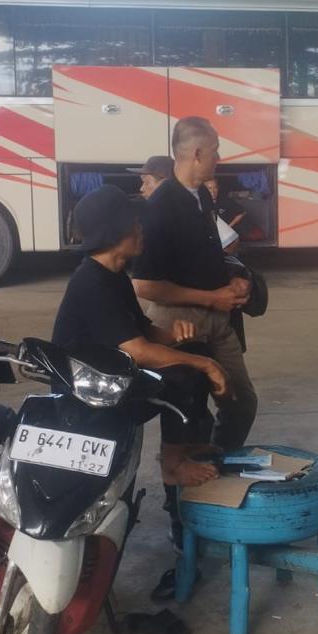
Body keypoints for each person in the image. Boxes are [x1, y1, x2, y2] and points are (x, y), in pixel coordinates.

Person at [52, 185, 229, 489]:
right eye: (134, 223)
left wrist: (176, 335)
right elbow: (139, 350)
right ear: (113, 232)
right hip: (88, 396)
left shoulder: (114, 275)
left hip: (112, 374)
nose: (140, 228)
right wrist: (206, 365)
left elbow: (144, 330)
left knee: (198, 351)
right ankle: (172, 465)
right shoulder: (92, 282)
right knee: (183, 375)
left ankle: (185, 444)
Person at [131, 117, 258, 452]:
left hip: (218, 318)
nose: (219, 158)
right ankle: (187, 479)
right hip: (179, 323)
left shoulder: (201, 194)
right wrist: (212, 298)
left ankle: (218, 461)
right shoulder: (160, 207)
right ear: (198, 154)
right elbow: (144, 286)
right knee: (190, 409)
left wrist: (233, 278)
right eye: (215, 151)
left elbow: (208, 253)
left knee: (241, 403)